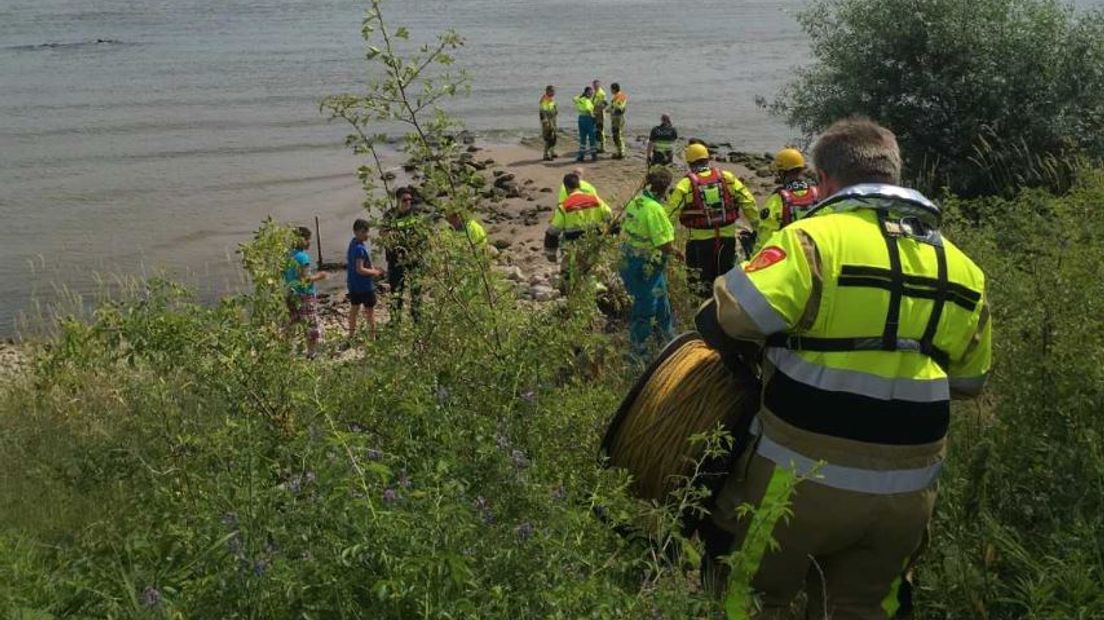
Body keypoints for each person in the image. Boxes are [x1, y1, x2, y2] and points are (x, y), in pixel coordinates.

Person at [697, 117, 992, 618]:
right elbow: (968, 381)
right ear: (895, 175)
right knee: (864, 608)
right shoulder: (964, 270)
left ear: (825, 181)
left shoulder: (810, 239)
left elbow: (732, 315)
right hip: (908, 494)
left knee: (745, 596)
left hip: (798, 478)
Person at [665, 143, 757, 298]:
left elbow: (669, 214)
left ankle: (700, 314)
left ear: (689, 162)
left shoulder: (686, 185)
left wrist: (666, 240)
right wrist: (757, 228)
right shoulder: (727, 178)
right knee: (725, 284)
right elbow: (749, 202)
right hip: (727, 241)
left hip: (699, 244)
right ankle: (725, 314)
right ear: (707, 159)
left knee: (699, 286)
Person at [619, 166, 682, 360]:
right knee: (646, 307)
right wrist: (678, 253)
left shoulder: (637, 201)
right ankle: (638, 351)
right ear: (663, 189)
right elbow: (664, 244)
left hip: (630, 259)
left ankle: (668, 337)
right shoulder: (654, 210)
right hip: (643, 265)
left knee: (661, 299)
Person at [544, 172, 613, 289]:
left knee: (570, 273)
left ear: (566, 188)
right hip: (595, 243)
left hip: (574, 247)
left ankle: (571, 292)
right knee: (594, 270)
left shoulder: (564, 206)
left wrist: (550, 253)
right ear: (579, 186)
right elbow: (610, 216)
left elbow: (552, 232)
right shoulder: (595, 200)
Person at [753, 147, 821, 254]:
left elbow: (765, 239)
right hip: (818, 255)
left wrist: (753, 260)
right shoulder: (819, 194)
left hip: (790, 258)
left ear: (782, 173)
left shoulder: (777, 200)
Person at [380, 187, 426, 322]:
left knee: (416, 290)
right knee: (396, 292)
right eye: (404, 200)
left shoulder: (415, 214)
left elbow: (422, 231)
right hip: (395, 259)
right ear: (397, 200)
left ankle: (417, 318)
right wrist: (393, 234)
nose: (408, 203)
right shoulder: (390, 215)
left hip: (413, 257)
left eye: (410, 200)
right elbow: (383, 233)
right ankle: (395, 320)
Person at [284, 226, 329, 357]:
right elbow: (305, 279)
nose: (310, 242)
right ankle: (311, 353)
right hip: (305, 296)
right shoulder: (303, 257)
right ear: (302, 240)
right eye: (308, 239)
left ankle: (287, 353)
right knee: (310, 325)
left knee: (291, 324)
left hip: (291, 294)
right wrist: (320, 276)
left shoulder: (288, 256)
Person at [346, 218, 383, 340]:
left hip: (353, 284)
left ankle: (351, 335)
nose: (367, 235)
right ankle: (372, 337)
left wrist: (372, 268)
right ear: (356, 232)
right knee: (370, 311)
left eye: (367, 231)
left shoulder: (353, 244)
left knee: (354, 309)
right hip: (364, 286)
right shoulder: (359, 249)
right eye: (364, 232)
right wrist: (375, 272)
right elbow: (360, 269)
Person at [574, 86, 598, 162]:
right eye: (590, 93)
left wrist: (582, 95)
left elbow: (574, 99)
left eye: (592, 93)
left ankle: (581, 155)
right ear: (587, 93)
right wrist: (593, 117)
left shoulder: (580, 99)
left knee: (582, 138)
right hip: (588, 119)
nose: (591, 94)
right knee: (592, 137)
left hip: (581, 118)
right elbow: (588, 109)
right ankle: (594, 155)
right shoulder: (587, 100)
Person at [539, 85, 558, 161]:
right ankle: (546, 155)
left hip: (553, 120)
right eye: (552, 91)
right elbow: (542, 112)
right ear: (547, 91)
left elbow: (553, 109)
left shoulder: (550, 99)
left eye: (554, 91)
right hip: (548, 122)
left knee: (554, 137)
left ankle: (552, 152)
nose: (554, 92)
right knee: (549, 138)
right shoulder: (544, 100)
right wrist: (546, 122)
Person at [609, 83, 628, 159]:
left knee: (617, 134)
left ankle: (621, 152)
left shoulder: (620, 96)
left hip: (618, 118)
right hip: (616, 118)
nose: (610, 91)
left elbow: (619, 108)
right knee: (616, 135)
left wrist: (611, 110)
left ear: (614, 89)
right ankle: (619, 151)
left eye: (611, 89)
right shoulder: (617, 96)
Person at [591, 80, 608, 155]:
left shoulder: (601, 93)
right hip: (595, 114)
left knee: (600, 130)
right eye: (594, 85)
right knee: (597, 130)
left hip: (600, 114)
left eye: (596, 85)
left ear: (599, 85)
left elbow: (605, 104)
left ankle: (602, 147)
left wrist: (598, 110)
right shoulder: (595, 93)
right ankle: (598, 146)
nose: (594, 86)